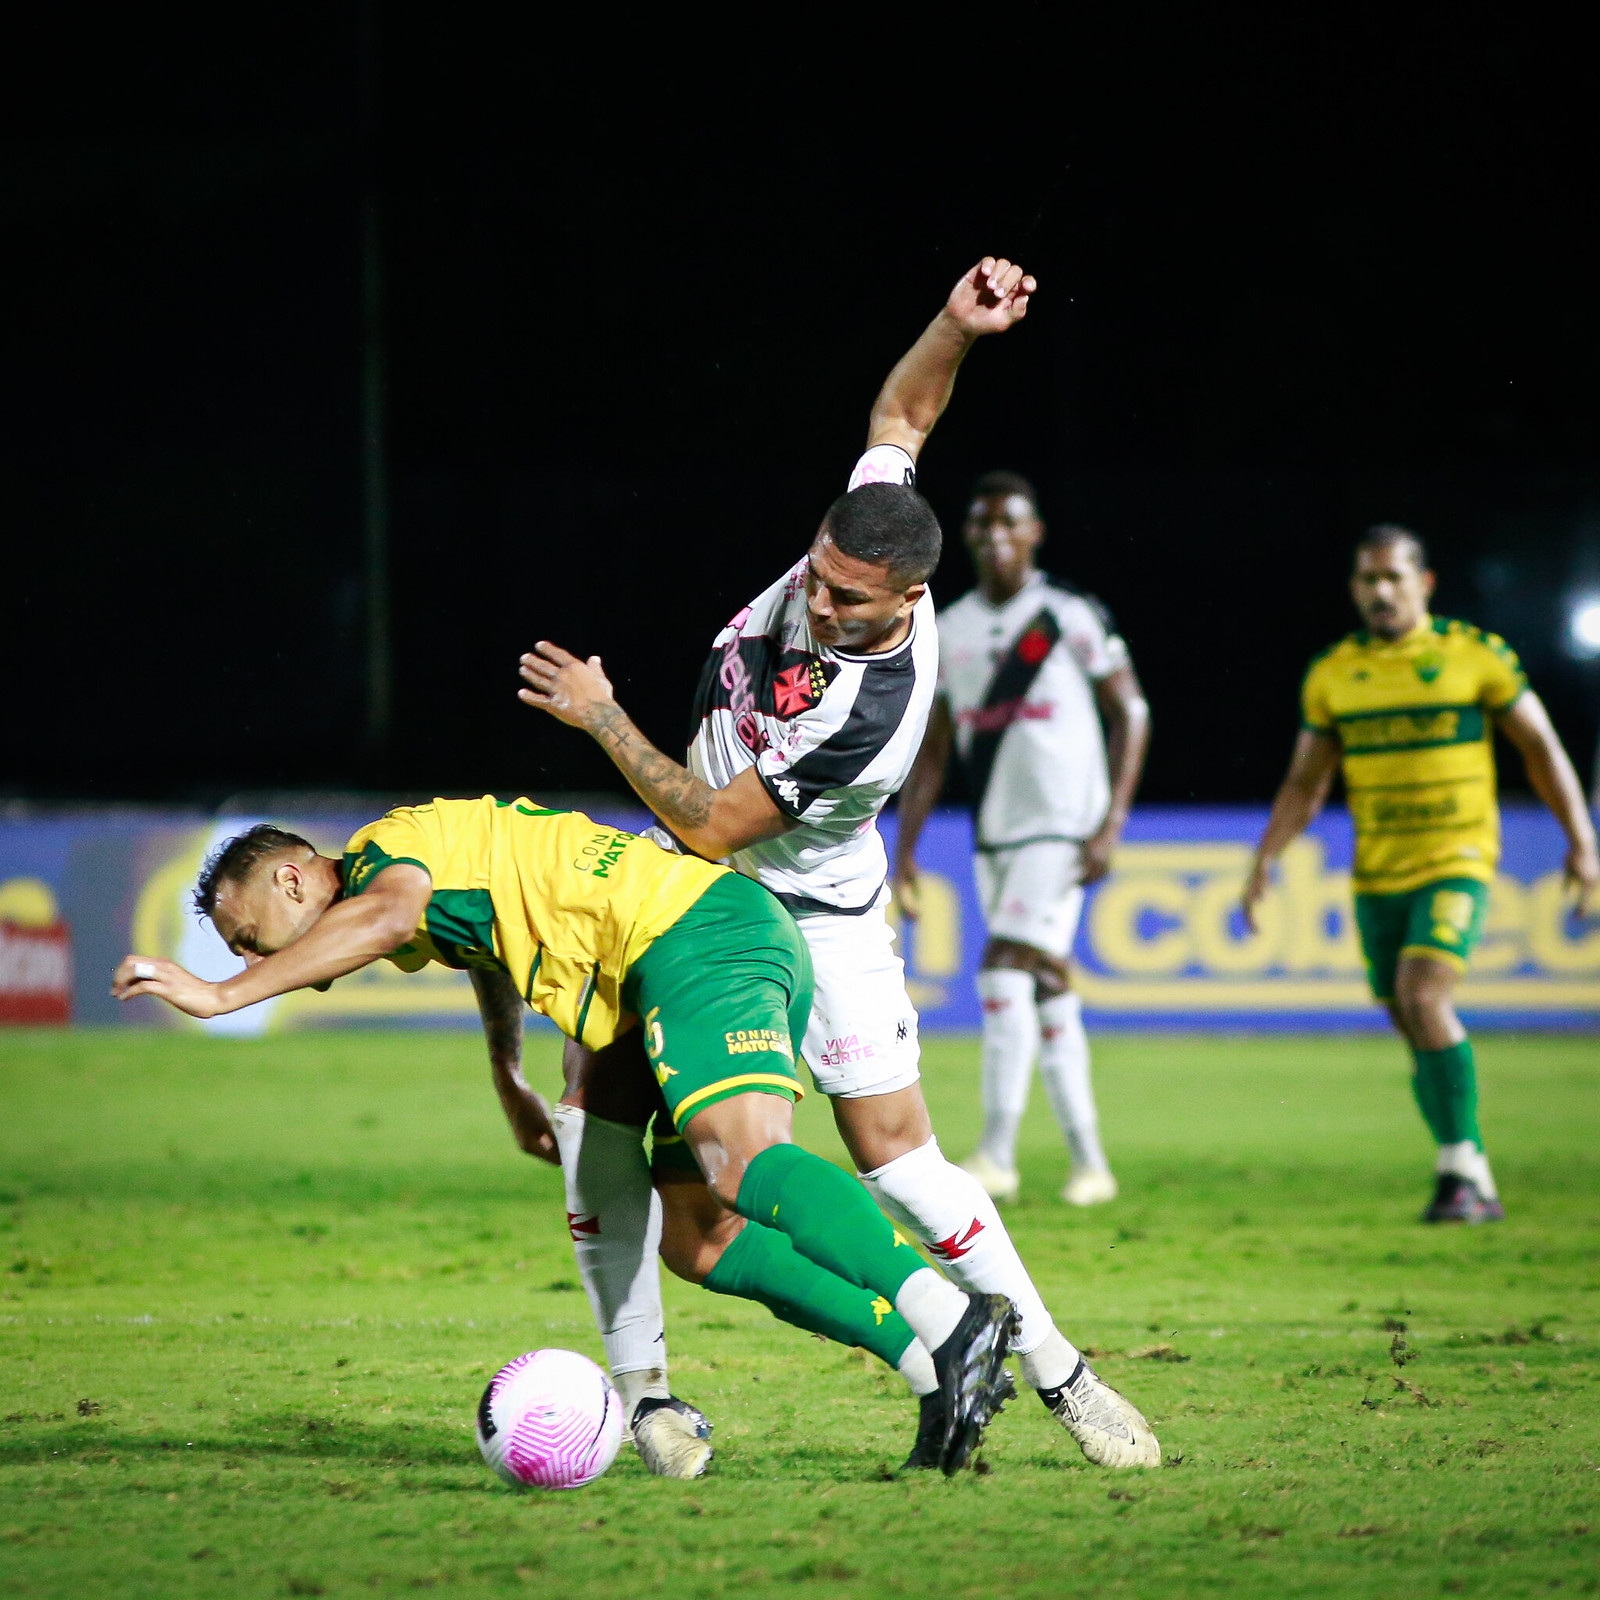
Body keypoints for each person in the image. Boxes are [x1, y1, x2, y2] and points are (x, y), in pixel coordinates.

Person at [518, 258, 1159, 1469]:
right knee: (621, 1147)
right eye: (815, 569)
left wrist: (601, 717)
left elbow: (713, 821)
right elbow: (902, 419)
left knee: (897, 1157)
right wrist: (955, 328)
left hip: (799, 907)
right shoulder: (863, 531)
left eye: (847, 595)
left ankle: (1056, 1366)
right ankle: (645, 1395)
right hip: (681, 887)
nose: (817, 599)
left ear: (905, 596)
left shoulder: (868, 711)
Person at [111, 799, 1019, 1477]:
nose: (251, 960)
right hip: (641, 976)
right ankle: (882, 1379)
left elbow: (390, 918)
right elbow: (471, 945)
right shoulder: (401, 878)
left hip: (700, 935)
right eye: (237, 957)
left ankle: (951, 1319)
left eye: (247, 939)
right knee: (695, 1238)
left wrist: (220, 998)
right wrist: (506, 1071)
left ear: (291, 879)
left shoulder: (387, 858)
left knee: (740, 1164)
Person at [1243, 526, 1599, 1222]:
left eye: (1393, 578)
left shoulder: (1476, 656)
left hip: (1458, 857)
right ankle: (1470, 1171)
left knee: (1423, 992)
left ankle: (1460, 1168)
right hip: (1379, 873)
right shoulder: (1335, 672)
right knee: (1408, 1015)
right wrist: (1266, 857)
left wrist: (1582, 841)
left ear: (1423, 584)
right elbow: (1306, 783)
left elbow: (1541, 748)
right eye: (1367, 580)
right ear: (1354, 589)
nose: (1380, 591)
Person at [892, 471, 1150, 1206]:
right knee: (1046, 988)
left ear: (1035, 532)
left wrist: (1111, 825)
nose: (996, 536)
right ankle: (1090, 1162)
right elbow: (936, 749)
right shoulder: (955, 625)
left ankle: (997, 1152)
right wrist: (907, 850)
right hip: (996, 837)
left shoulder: (1066, 616)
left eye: (1011, 522)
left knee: (1002, 968)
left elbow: (1133, 713)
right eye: (982, 524)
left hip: (1064, 828)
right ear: (966, 537)